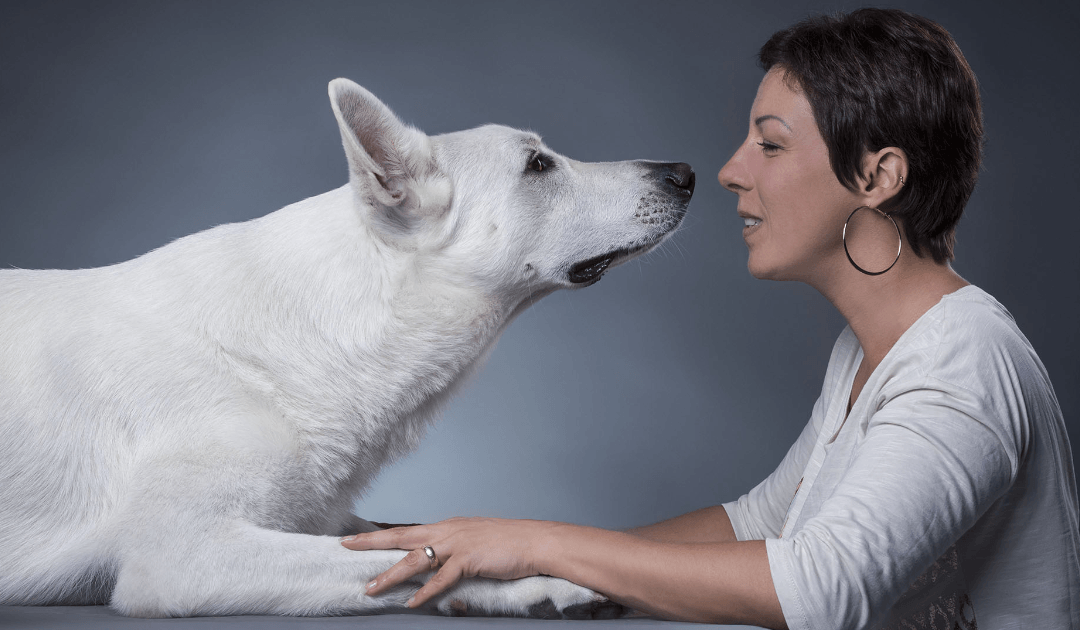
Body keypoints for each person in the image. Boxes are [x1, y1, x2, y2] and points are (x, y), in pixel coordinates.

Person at [342, 8, 1080, 629]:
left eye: (771, 143)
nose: (731, 170)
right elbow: (760, 525)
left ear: (877, 177)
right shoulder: (870, 353)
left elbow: (821, 589)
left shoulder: (963, 361)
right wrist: (546, 581)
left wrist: (534, 544)